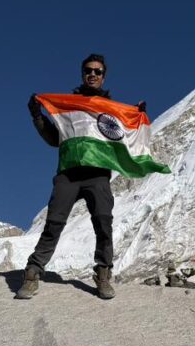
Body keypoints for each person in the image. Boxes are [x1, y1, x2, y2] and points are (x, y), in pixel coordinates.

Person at [17, 54, 143, 300]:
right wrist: (37, 117)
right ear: (82, 73)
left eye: (97, 71)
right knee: (54, 223)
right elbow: (55, 139)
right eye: (88, 70)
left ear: (103, 76)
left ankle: (103, 274)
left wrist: (136, 120)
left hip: (97, 175)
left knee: (103, 223)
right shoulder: (68, 106)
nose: (93, 74)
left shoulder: (111, 111)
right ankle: (33, 273)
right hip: (69, 173)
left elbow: (124, 139)